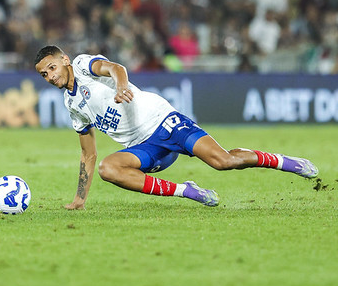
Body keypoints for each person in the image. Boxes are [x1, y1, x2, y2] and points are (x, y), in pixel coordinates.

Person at [34, 45, 318, 209]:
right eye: (44, 73)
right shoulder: (72, 105)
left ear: (65, 60)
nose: (49, 75)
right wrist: (79, 199)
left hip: (163, 121)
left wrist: (121, 87)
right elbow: (88, 154)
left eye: (52, 68)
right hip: (144, 148)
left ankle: (285, 161)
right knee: (109, 169)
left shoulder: (83, 65)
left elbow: (115, 68)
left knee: (224, 161)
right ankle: (186, 191)